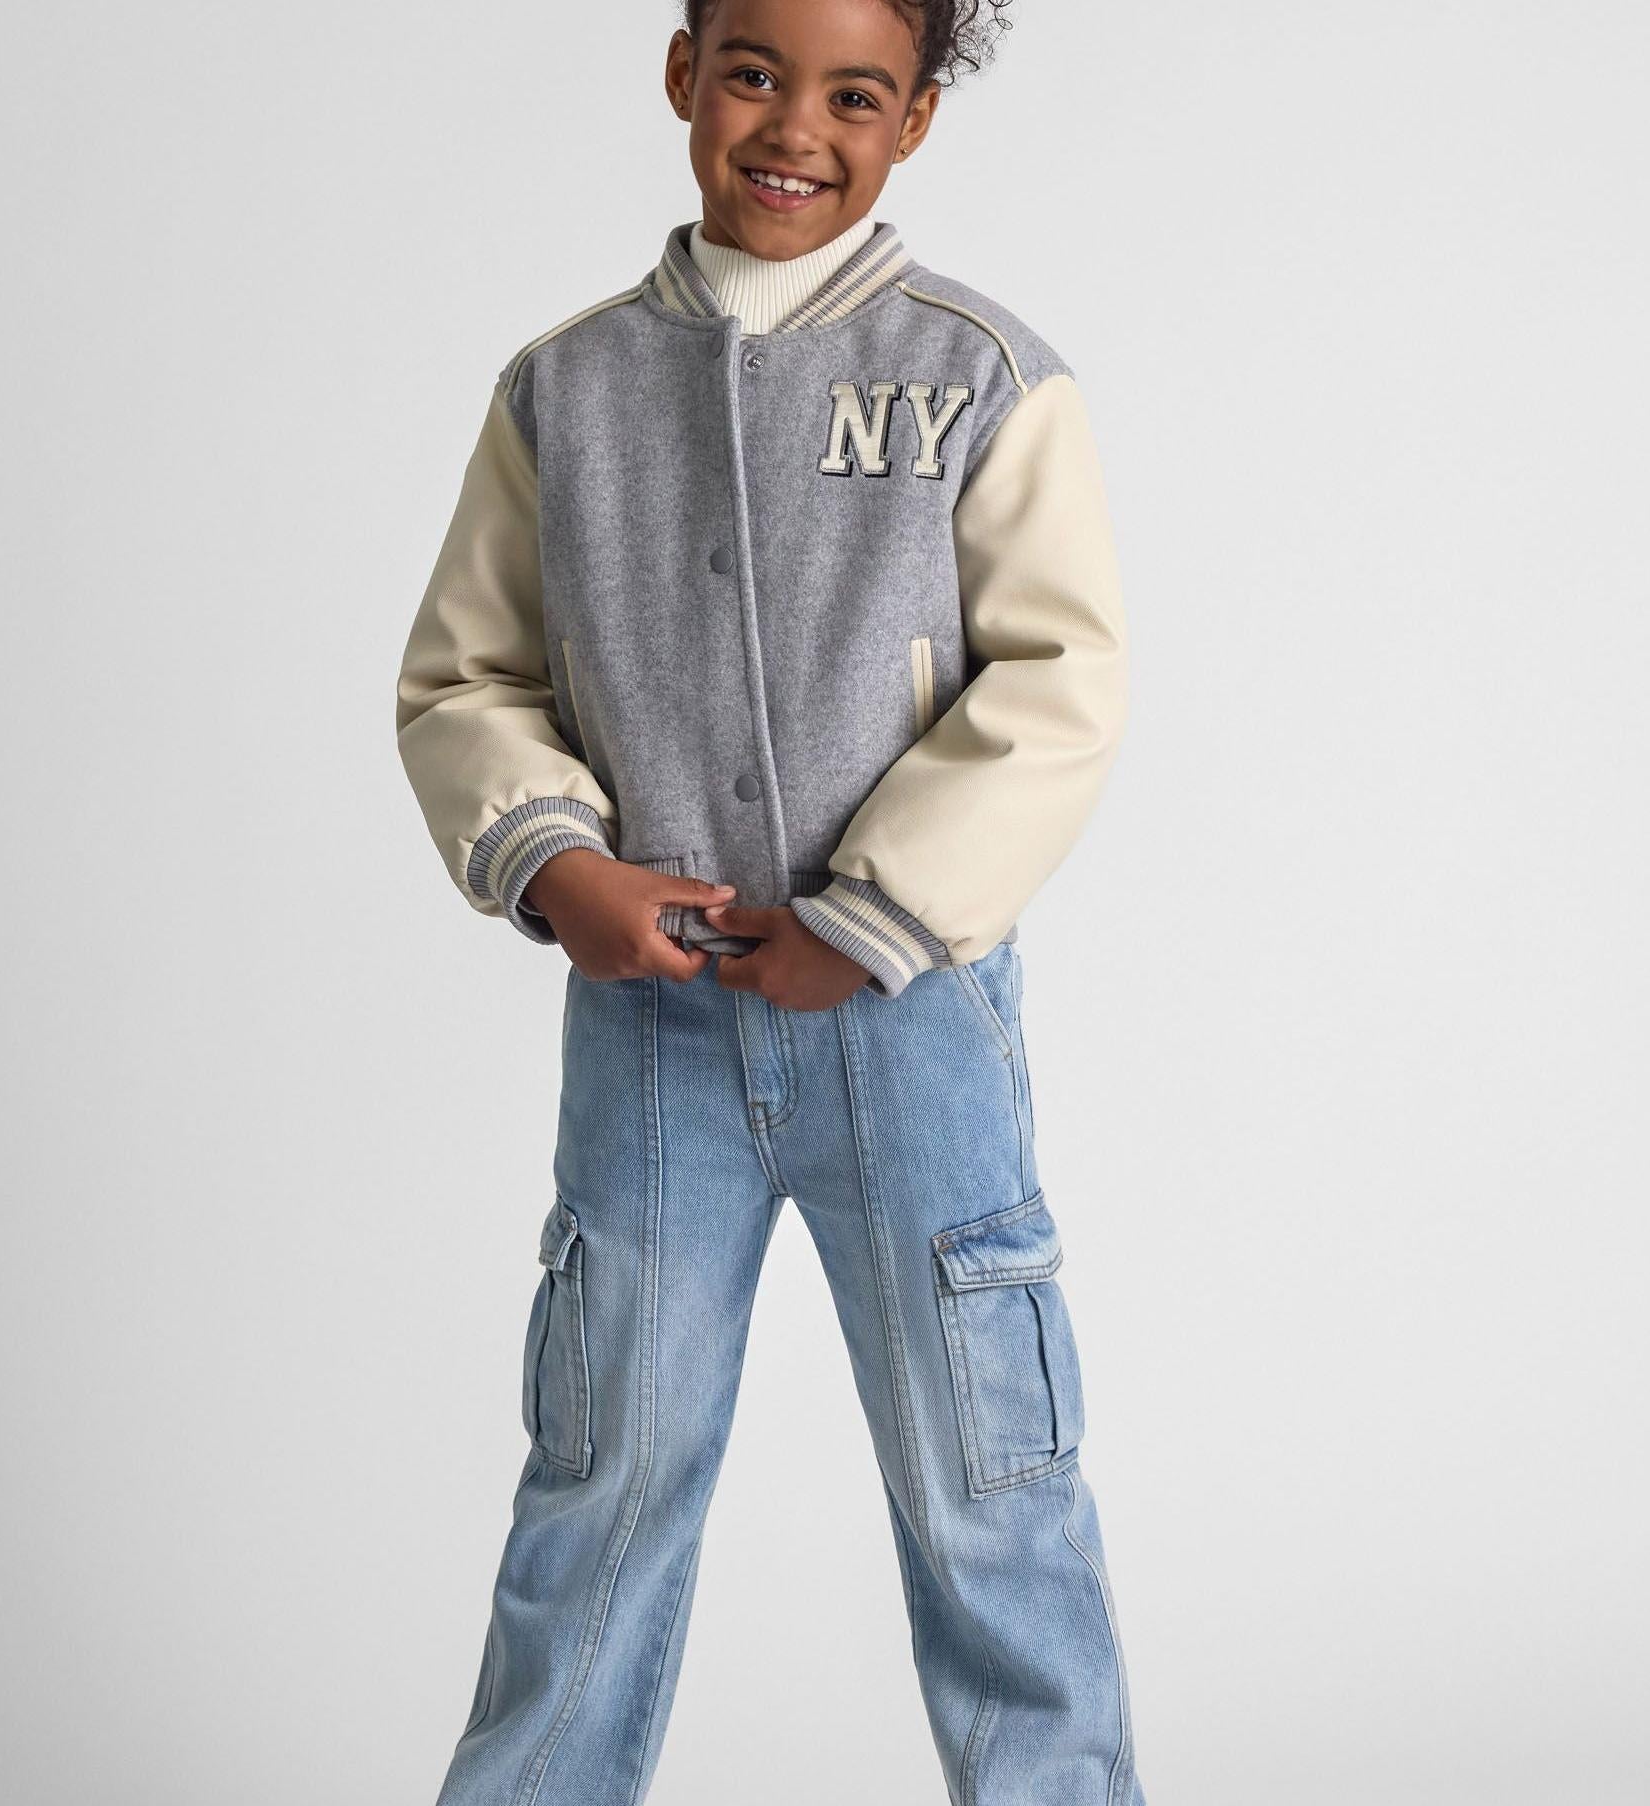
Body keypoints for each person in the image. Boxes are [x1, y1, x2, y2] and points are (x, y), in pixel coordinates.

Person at [393, 1, 1147, 1800]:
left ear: (912, 124)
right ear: (680, 74)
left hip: (911, 1037)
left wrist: (873, 911)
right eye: (751, 71)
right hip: (646, 1041)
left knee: (991, 1499)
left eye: (853, 93)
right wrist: (556, 862)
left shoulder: (982, 376)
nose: (792, 126)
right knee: (598, 1484)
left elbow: (1059, 682)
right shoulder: (562, 391)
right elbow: (465, 675)